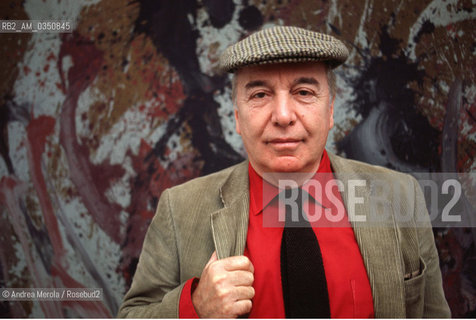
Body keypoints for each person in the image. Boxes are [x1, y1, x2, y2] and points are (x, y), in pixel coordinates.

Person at [118, 26, 451, 318]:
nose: (282, 115)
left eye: (303, 92)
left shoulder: (400, 197)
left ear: (330, 110)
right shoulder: (179, 209)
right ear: (236, 116)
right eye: (260, 94)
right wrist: (195, 307)